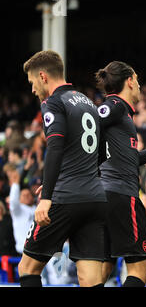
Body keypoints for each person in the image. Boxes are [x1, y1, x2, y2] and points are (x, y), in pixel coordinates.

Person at [18, 50, 107, 287]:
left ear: (43, 76)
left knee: (27, 268)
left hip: (65, 197)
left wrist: (47, 196)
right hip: (95, 197)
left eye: (33, 82)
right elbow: (100, 154)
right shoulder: (89, 103)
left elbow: (54, 148)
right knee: (90, 279)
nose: (33, 89)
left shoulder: (53, 102)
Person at [95, 61, 146, 287]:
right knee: (141, 268)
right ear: (130, 80)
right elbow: (87, 124)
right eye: (138, 81)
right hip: (121, 196)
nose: (140, 87)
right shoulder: (115, 106)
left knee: (103, 268)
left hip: (104, 195)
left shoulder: (121, 115)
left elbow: (131, 159)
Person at [3, 164, 36, 255]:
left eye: (28, 195)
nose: (26, 197)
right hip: (24, 252)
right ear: (19, 199)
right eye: (23, 195)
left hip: (40, 249)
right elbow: (13, 201)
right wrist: (15, 184)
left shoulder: (37, 208)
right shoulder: (18, 210)